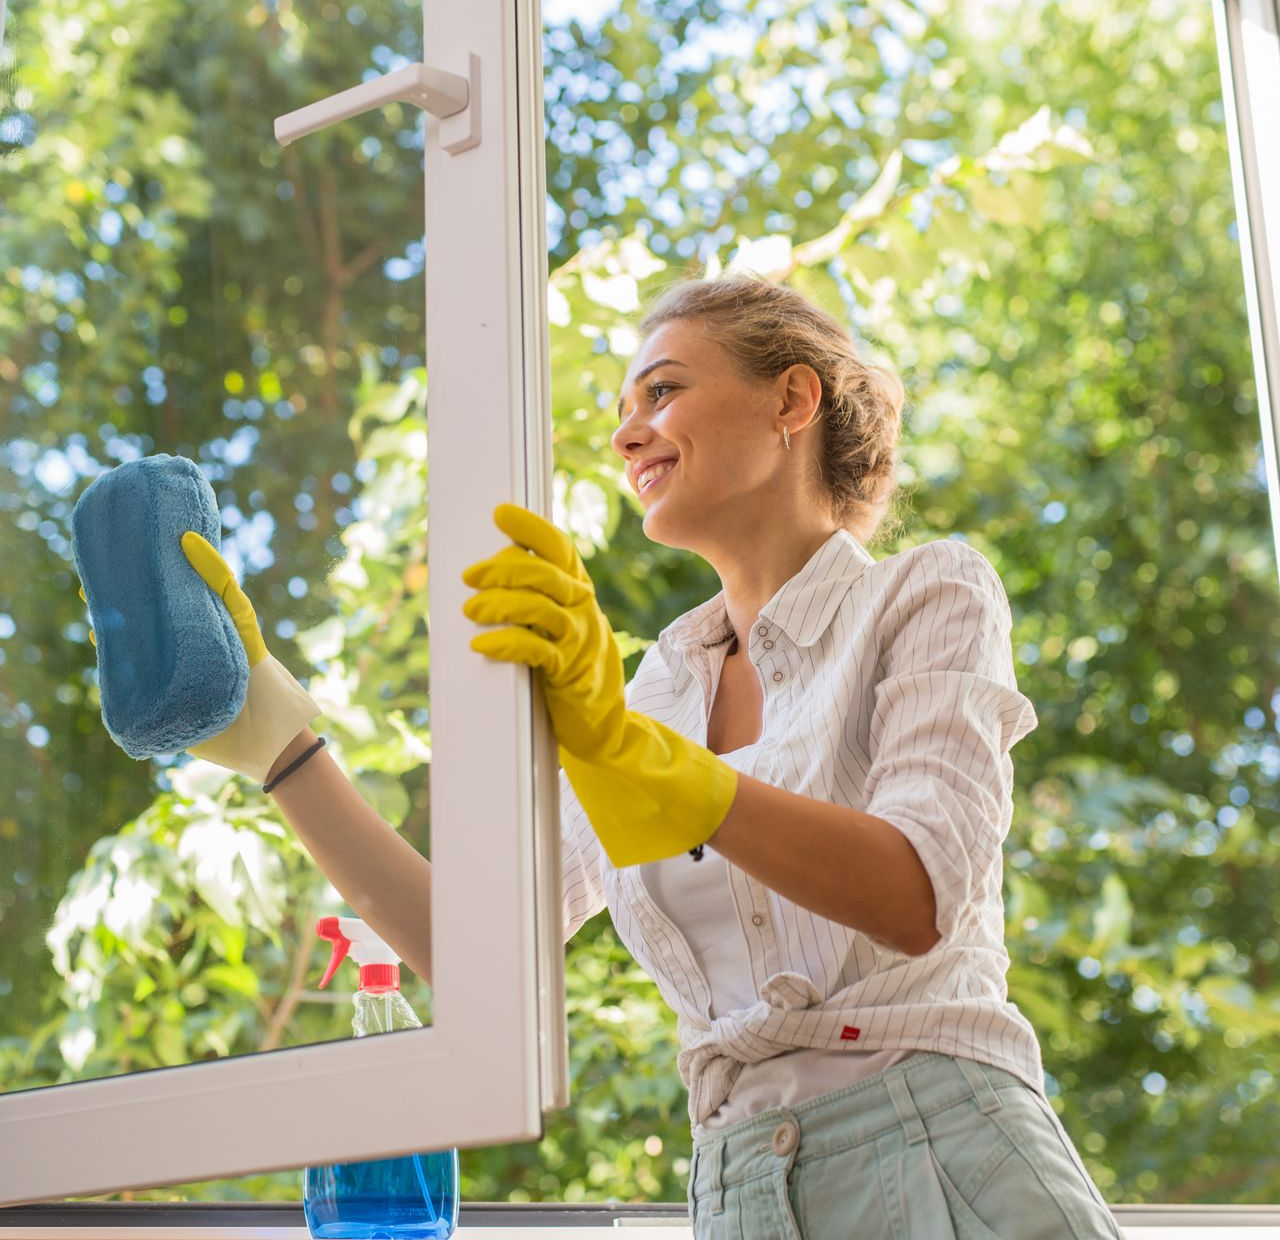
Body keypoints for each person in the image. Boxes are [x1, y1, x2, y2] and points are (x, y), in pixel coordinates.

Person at [142, 270, 1123, 1238]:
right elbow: (479, 958)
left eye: (662, 390)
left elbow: (912, 893)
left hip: (936, 1148)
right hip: (734, 1187)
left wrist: (639, 757)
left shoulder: (923, 595)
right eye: (621, 409)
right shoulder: (658, 690)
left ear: (791, 397)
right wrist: (286, 751)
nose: (624, 433)